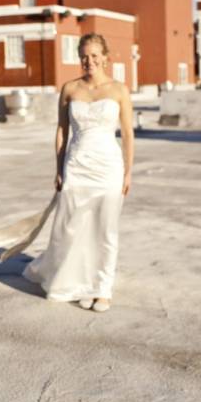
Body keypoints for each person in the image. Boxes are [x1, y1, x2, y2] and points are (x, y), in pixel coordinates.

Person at [23, 33, 133, 313]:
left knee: (105, 230)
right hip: (77, 166)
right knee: (72, 228)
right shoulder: (70, 88)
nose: (89, 61)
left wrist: (128, 171)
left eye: (95, 55)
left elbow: (129, 135)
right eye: (84, 55)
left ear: (106, 57)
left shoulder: (119, 90)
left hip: (109, 166)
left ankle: (103, 288)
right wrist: (59, 169)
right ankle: (82, 285)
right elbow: (62, 131)